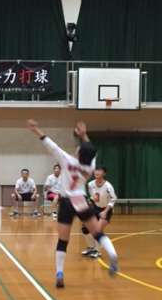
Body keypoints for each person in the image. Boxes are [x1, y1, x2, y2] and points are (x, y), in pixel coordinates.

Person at [26, 119, 118, 288]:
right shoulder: (90, 167)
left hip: (66, 201)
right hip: (80, 200)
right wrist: (84, 135)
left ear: (78, 152)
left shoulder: (67, 160)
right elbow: (91, 151)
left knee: (63, 240)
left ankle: (60, 272)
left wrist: (35, 130)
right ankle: (112, 253)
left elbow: (49, 143)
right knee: (97, 233)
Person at [82, 167, 117, 258]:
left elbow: (113, 199)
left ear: (104, 174)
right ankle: (91, 247)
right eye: (96, 170)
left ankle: (98, 251)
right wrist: (91, 201)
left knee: (98, 230)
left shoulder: (108, 186)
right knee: (85, 228)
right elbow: (93, 197)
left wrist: (105, 212)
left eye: (100, 171)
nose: (97, 172)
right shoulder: (90, 184)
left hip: (106, 209)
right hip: (95, 208)